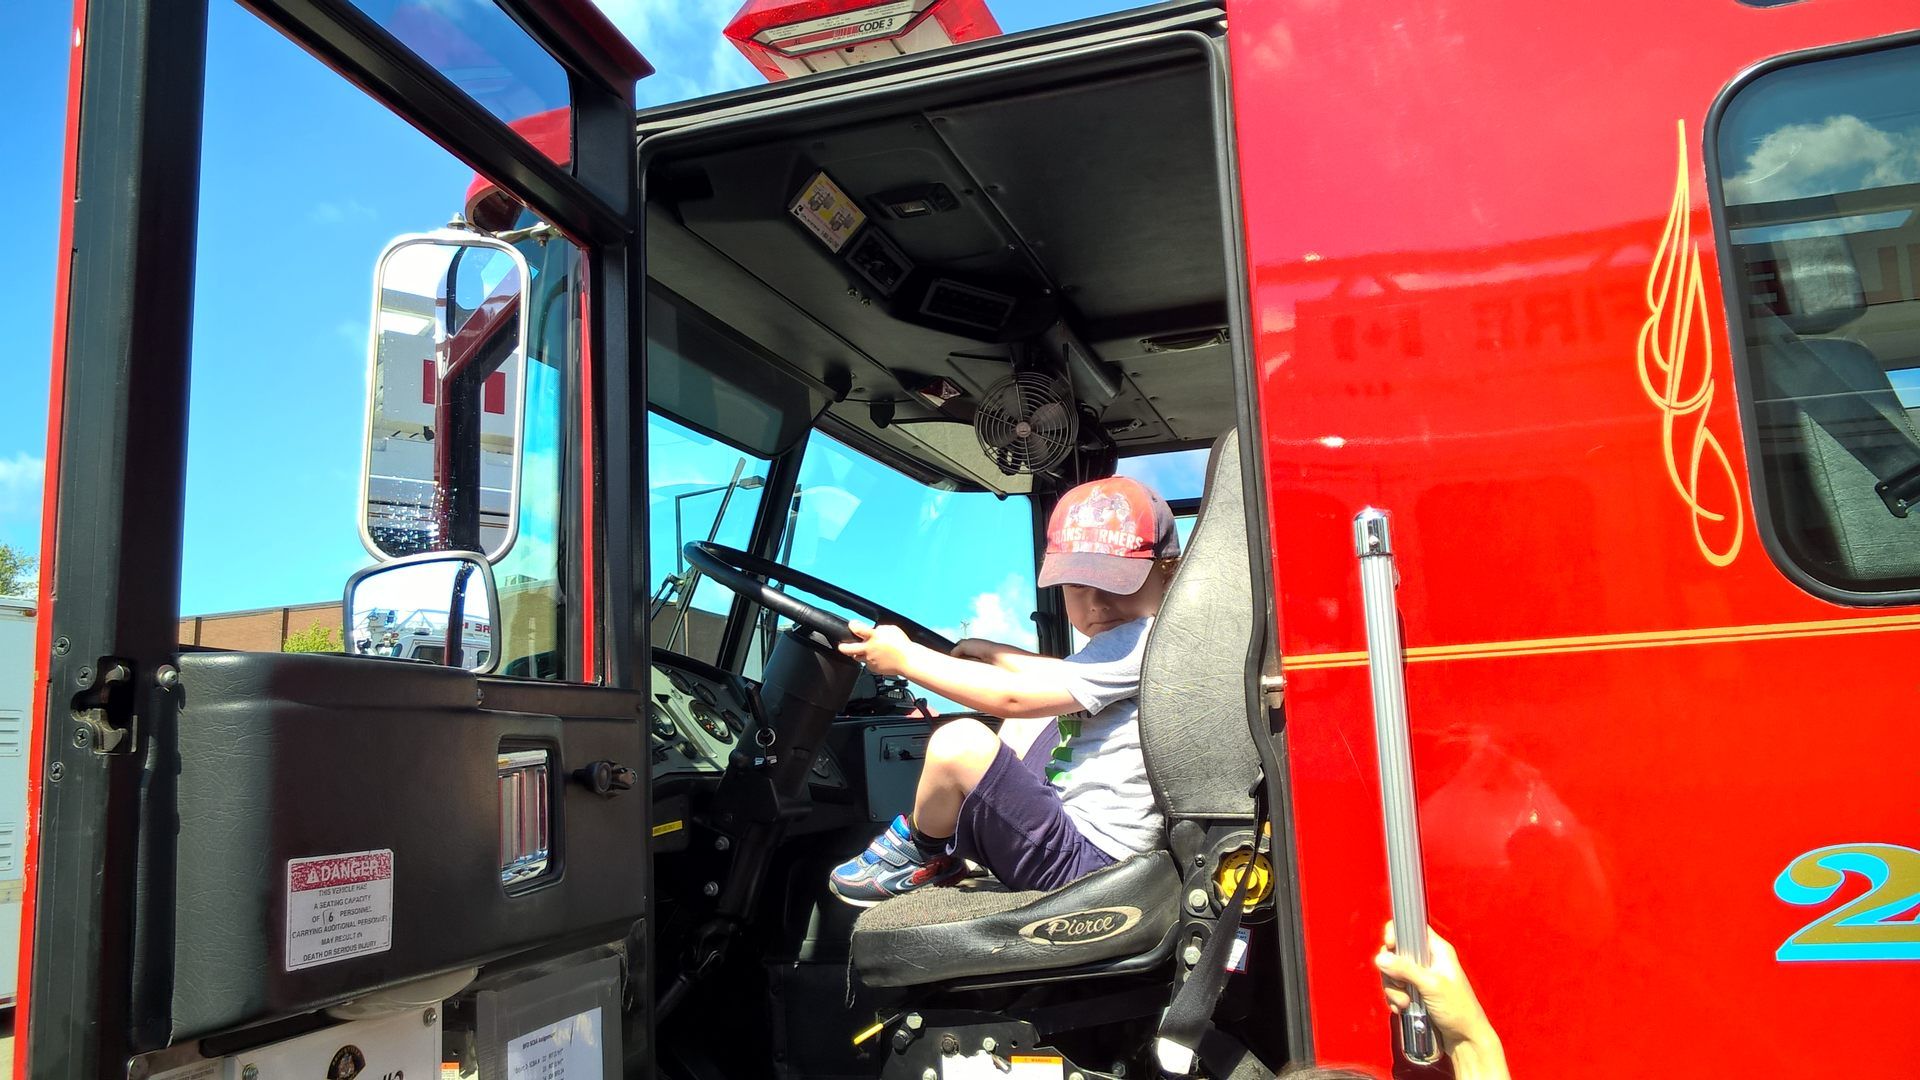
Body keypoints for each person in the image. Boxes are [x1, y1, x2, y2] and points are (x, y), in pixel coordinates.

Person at [826, 475, 1181, 906]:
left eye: (1116, 583)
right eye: (1077, 586)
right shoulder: (1139, 645)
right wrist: (997, 652)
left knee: (959, 743)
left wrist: (906, 660)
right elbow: (1051, 677)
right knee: (1018, 723)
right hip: (1084, 850)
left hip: (1090, 866)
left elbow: (1015, 695)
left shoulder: (1145, 637)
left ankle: (922, 851)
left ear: (1168, 573)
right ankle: (951, 851)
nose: (1096, 604)